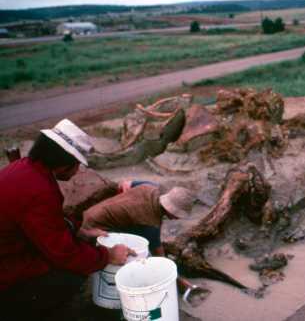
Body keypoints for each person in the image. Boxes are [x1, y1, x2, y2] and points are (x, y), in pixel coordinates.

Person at [0, 119, 135, 320]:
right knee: (72, 273)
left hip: (9, 249)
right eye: (77, 164)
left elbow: (46, 223)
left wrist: (80, 232)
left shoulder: (24, 168)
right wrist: (108, 255)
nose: (78, 170)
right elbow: (64, 254)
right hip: (6, 272)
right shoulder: (40, 191)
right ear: (64, 163)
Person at [82, 182, 196, 256]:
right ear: (170, 210)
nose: (177, 218)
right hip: (93, 229)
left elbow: (126, 183)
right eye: (177, 215)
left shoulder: (150, 186)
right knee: (137, 252)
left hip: (90, 213)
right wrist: (175, 277)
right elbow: (158, 255)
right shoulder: (151, 224)